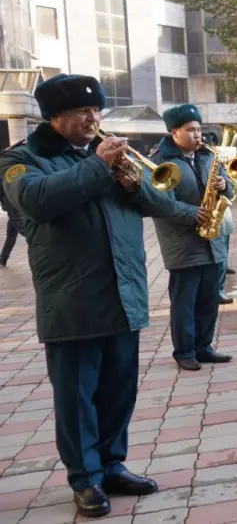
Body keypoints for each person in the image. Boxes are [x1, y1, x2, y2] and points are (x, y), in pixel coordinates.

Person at [0, 74, 175, 517]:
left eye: (95, 110)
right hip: (72, 300)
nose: (92, 118)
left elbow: (156, 204)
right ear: (54, 117)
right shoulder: (22, 159)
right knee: (77, 397)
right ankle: (86, 479)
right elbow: (37, 200)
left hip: (123, 291)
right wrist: (97, 166)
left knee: (119, 390)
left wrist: (134, 183)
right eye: (81, 112)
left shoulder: (100, 157)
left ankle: (112, 464)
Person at [150, 104, 234, 371]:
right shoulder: (161, 162)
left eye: (199, 130)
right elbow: (157, 202)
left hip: (212, 240)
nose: (198, 136)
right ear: (174, 132)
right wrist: (191, 213)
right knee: (184, 302)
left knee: (208, 298)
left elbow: (227, 192)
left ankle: (203, 346)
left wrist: (224, 186)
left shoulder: (208, 157)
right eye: (190, 130)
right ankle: (184, 351)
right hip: (182, 242)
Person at [202, 131, 235, 305]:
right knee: (214, 256)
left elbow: (231, 187)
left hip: (221, 212)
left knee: (222, 253)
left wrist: (225, 184)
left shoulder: (217, 160)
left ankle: (219, 288)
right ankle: (215, 290)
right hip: (205, 211)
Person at [0, 140, 25, 267]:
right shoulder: (9, 158)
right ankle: (3, 257)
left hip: (12, 202)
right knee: (12, 231)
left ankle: (41, 246)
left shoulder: (10, 159)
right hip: (12, 201)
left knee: (25, 231)